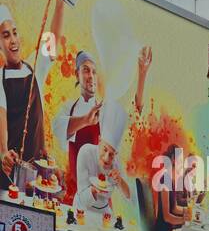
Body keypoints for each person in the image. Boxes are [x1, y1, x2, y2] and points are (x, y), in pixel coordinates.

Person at [52, 46, 150, 201]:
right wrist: (85, 120)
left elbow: (133, 114)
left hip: (102, 196)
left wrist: (142, 74)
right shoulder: (68, 108)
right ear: (76, 74)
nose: (91, 76)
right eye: (85, 70)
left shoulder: (104, 110)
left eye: (93, 71)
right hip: (75, 196)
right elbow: (57, 128)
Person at [0, 0, 68, 187]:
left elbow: (53, 37)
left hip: (39, 179)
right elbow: (1, 118)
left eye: (14, 32)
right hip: (11, 176)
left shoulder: (35, 66)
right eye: (5, 35)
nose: (13, 40)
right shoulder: (0, 80)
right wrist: (3, 153)